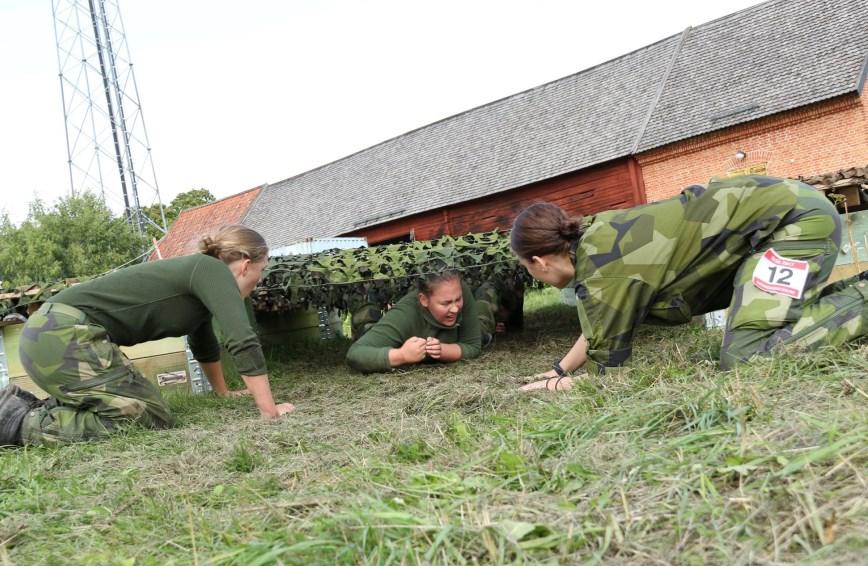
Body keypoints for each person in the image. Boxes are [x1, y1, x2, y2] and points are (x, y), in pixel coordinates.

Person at [511, 174, 868, 392]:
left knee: (747, 356)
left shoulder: (603, 273)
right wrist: (560, 369)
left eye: (527, 268)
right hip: (785, 214)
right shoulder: (600, 241)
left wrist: (560, 386)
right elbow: (599, 327)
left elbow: (611, 380)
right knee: (764, 327)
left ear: (539, 262)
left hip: (790, 226)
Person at [0, 225, 294, 453]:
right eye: (261, 270)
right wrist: (269, 411)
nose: (259, 279)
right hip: (65, 334)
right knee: (146, 417)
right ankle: (21, 425)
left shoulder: (198, 278)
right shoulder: (213, 271)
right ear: (246, 265)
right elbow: (242, 339)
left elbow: (204, 342)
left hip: (49, 333)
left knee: (135, 410)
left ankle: (20, 408)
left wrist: (222, 393)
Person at [345, 269, 495, 373]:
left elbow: (473, 345)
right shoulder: (404, 315)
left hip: (467, 332)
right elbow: (356, 354)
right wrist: (401, 355)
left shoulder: (458, 290)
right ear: (423, 300)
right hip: (391, 331)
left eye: (458, 300)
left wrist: (442, 350)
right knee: (367, 324)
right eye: (446, 303)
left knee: (484, 327)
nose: (455, 309)